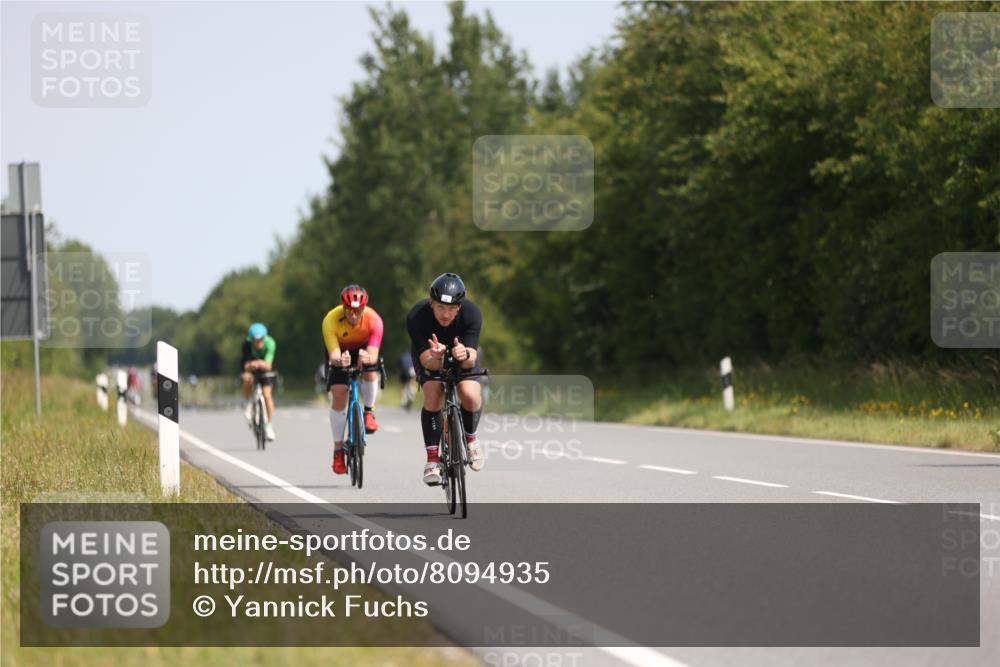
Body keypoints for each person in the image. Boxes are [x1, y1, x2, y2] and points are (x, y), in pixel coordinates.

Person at [406, 272, 485, 486]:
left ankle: (471, 438)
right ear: (431, 303)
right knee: (433, 395)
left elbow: (471, 358)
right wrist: (437, 356)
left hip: (462, 353)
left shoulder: (471, 313)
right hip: (431, 356)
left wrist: (464, 355)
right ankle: (432, 460)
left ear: (459, 307)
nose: (446, 314)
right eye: (440, 307)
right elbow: (426, 362)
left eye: (451, 308)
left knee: (469, 394)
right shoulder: (417, 316)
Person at [322, 284, 384, 476]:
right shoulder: (330, 320)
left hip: (364, 348)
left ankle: (368, 412)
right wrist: (340, 360)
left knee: (370, 370)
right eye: (349, 310)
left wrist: (367, 359)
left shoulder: (374, 320)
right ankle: (338, 450)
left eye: (358, 311)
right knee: (339, 393)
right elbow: (333, 355)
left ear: (364, 308)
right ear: (343, 307)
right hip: (340, 351)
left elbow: (374, 354)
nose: (354, 315)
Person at [241, 322, 278, 441]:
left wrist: (260, 364)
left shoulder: (270, 343)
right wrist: (251, 365)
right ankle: (247, 404)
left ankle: (269, 426)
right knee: (247, 378)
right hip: (251, 368)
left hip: (265, 370)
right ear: (251, 339)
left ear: (265, 337)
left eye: (261, 339)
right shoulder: (246, 344)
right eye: (255, 340)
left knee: (267, 395)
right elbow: (245, 365)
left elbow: (268, 364)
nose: (259, 343)